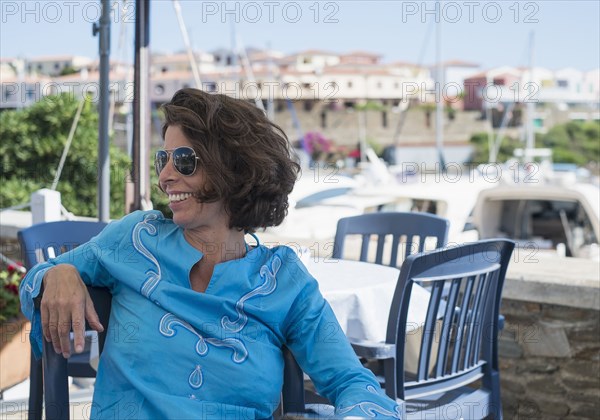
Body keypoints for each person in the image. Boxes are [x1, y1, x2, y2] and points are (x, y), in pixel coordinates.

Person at [20, 88, 402, 419]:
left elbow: (352, 381)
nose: (165, 175)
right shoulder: (136, 238)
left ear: (234, 170)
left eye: (183, 160)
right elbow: (33, 284)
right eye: (163, 160)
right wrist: (60, 273)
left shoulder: (284, 281)